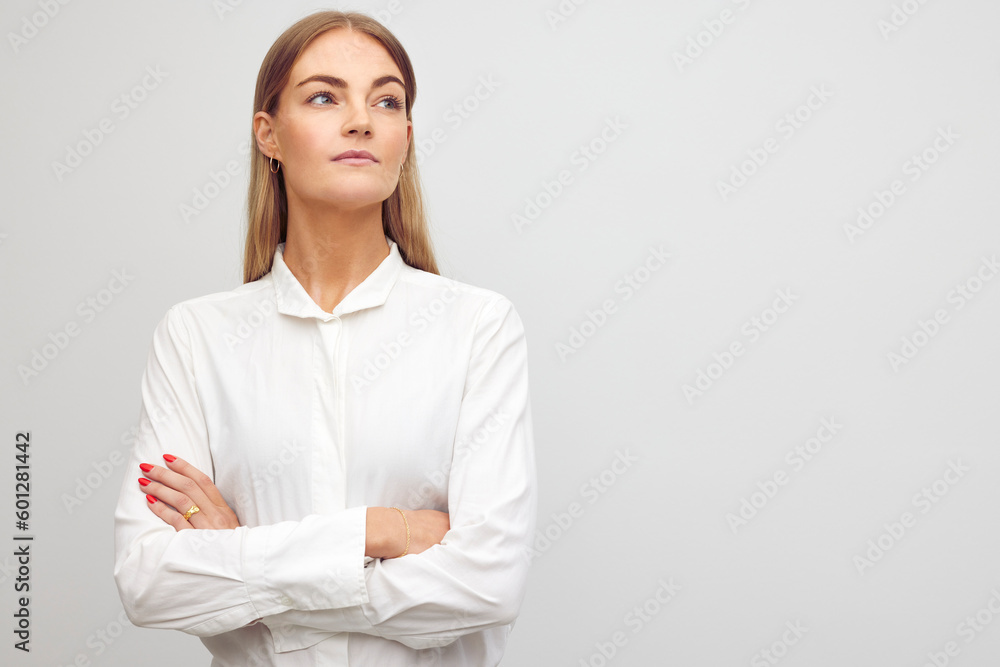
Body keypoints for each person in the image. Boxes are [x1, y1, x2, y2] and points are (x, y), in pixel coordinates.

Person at [112, 10, 537, 666]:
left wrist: (240, 560)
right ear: (269, 134)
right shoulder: (196, 336)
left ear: (405, 137)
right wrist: (381, 531)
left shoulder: (478, 327)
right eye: (323, 97)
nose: (361, 120)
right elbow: (149, 582)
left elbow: (487, 584)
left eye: (386, 101)